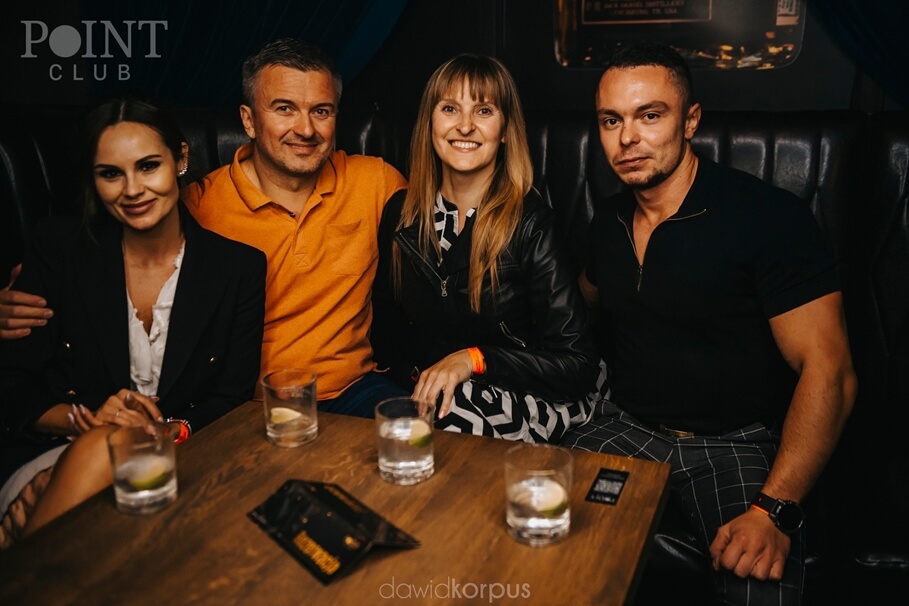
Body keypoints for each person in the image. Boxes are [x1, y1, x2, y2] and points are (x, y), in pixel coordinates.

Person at [560, 42, 857, 605]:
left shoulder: (768, 218)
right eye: (611, 120)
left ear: (691, 120)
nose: (628, 138)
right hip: (624, 431)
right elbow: (576, 308)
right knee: (531, 537)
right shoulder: (608, 222)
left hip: (733, 445)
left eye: (650, 115)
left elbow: (831, 373)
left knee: (756, 587)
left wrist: (773, 509)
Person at [0, 39, 408, 417]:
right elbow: (98, 259)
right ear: (248, 120)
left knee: (420, 441)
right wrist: (31, 295)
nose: (305, 129)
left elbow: (441, 234)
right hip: (243, 403)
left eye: (321, 111)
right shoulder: (193, 205)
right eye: (284, 109)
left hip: (355, 388)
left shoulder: (375, 181)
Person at [0, 97, 266, 547]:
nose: (132, 189)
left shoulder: (238, 267)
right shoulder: (59, 249)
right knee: (100, 454)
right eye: (111, 174)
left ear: (180, 160)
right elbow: (11, 387)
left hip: (177, 458)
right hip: (54, 451)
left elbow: (231, 397)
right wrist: (84, 422)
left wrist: (168, 431)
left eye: (148, 166)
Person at [371, 55, 607, 443]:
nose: (465, 125)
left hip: (537, 393)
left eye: (483, 111)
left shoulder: (531, 224)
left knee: (444, 427)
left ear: (506, 130)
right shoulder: (401, 213)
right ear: (429, 123)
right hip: (443, 395)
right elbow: (387, 328)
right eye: (450, 109)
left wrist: (474, 359)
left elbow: (576, 365)